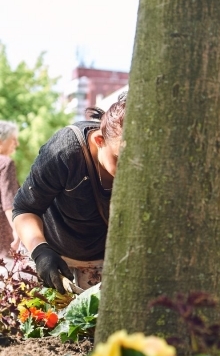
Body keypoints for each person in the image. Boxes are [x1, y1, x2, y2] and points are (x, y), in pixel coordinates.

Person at [12, 95, 127, 292]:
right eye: (120, 159)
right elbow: (24, 209)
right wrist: (40, 251)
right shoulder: (65, 151)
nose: (129, 169)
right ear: (100, 140)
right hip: (52, 257)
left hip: (100, 264)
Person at [0, 121, 20, 256]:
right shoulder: (6, 163)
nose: (16, 144)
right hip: (3, 237)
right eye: (13, 139)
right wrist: (17, 230)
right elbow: (9, 202)